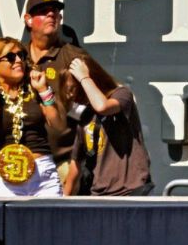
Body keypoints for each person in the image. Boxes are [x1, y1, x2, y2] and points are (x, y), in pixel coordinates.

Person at [0, 37, 64, 197]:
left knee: (51, 222)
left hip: (42, 174)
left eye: (21, 55)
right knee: (6, 222)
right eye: (11, 57)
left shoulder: (34, 85)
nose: (18, 60)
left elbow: (59, 125)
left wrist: (44, 90)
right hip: (3, 175)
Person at [22, 0, 95, 193]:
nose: (51, 15)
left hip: (60, 162)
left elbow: (94, 105)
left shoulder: (74, 56)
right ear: (28, 20)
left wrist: (76, 163)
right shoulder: (15, 57)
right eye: (43, 11)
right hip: (19, 159)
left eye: (54, 11)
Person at [65, 57, 154, 196]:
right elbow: (75, 162)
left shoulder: (122, 94)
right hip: (100, 193)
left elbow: (102, 107)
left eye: (73, 88)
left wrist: (84, 77)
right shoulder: (85, 115)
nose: (71, 95)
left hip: (131, 190)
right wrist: (65, 198)